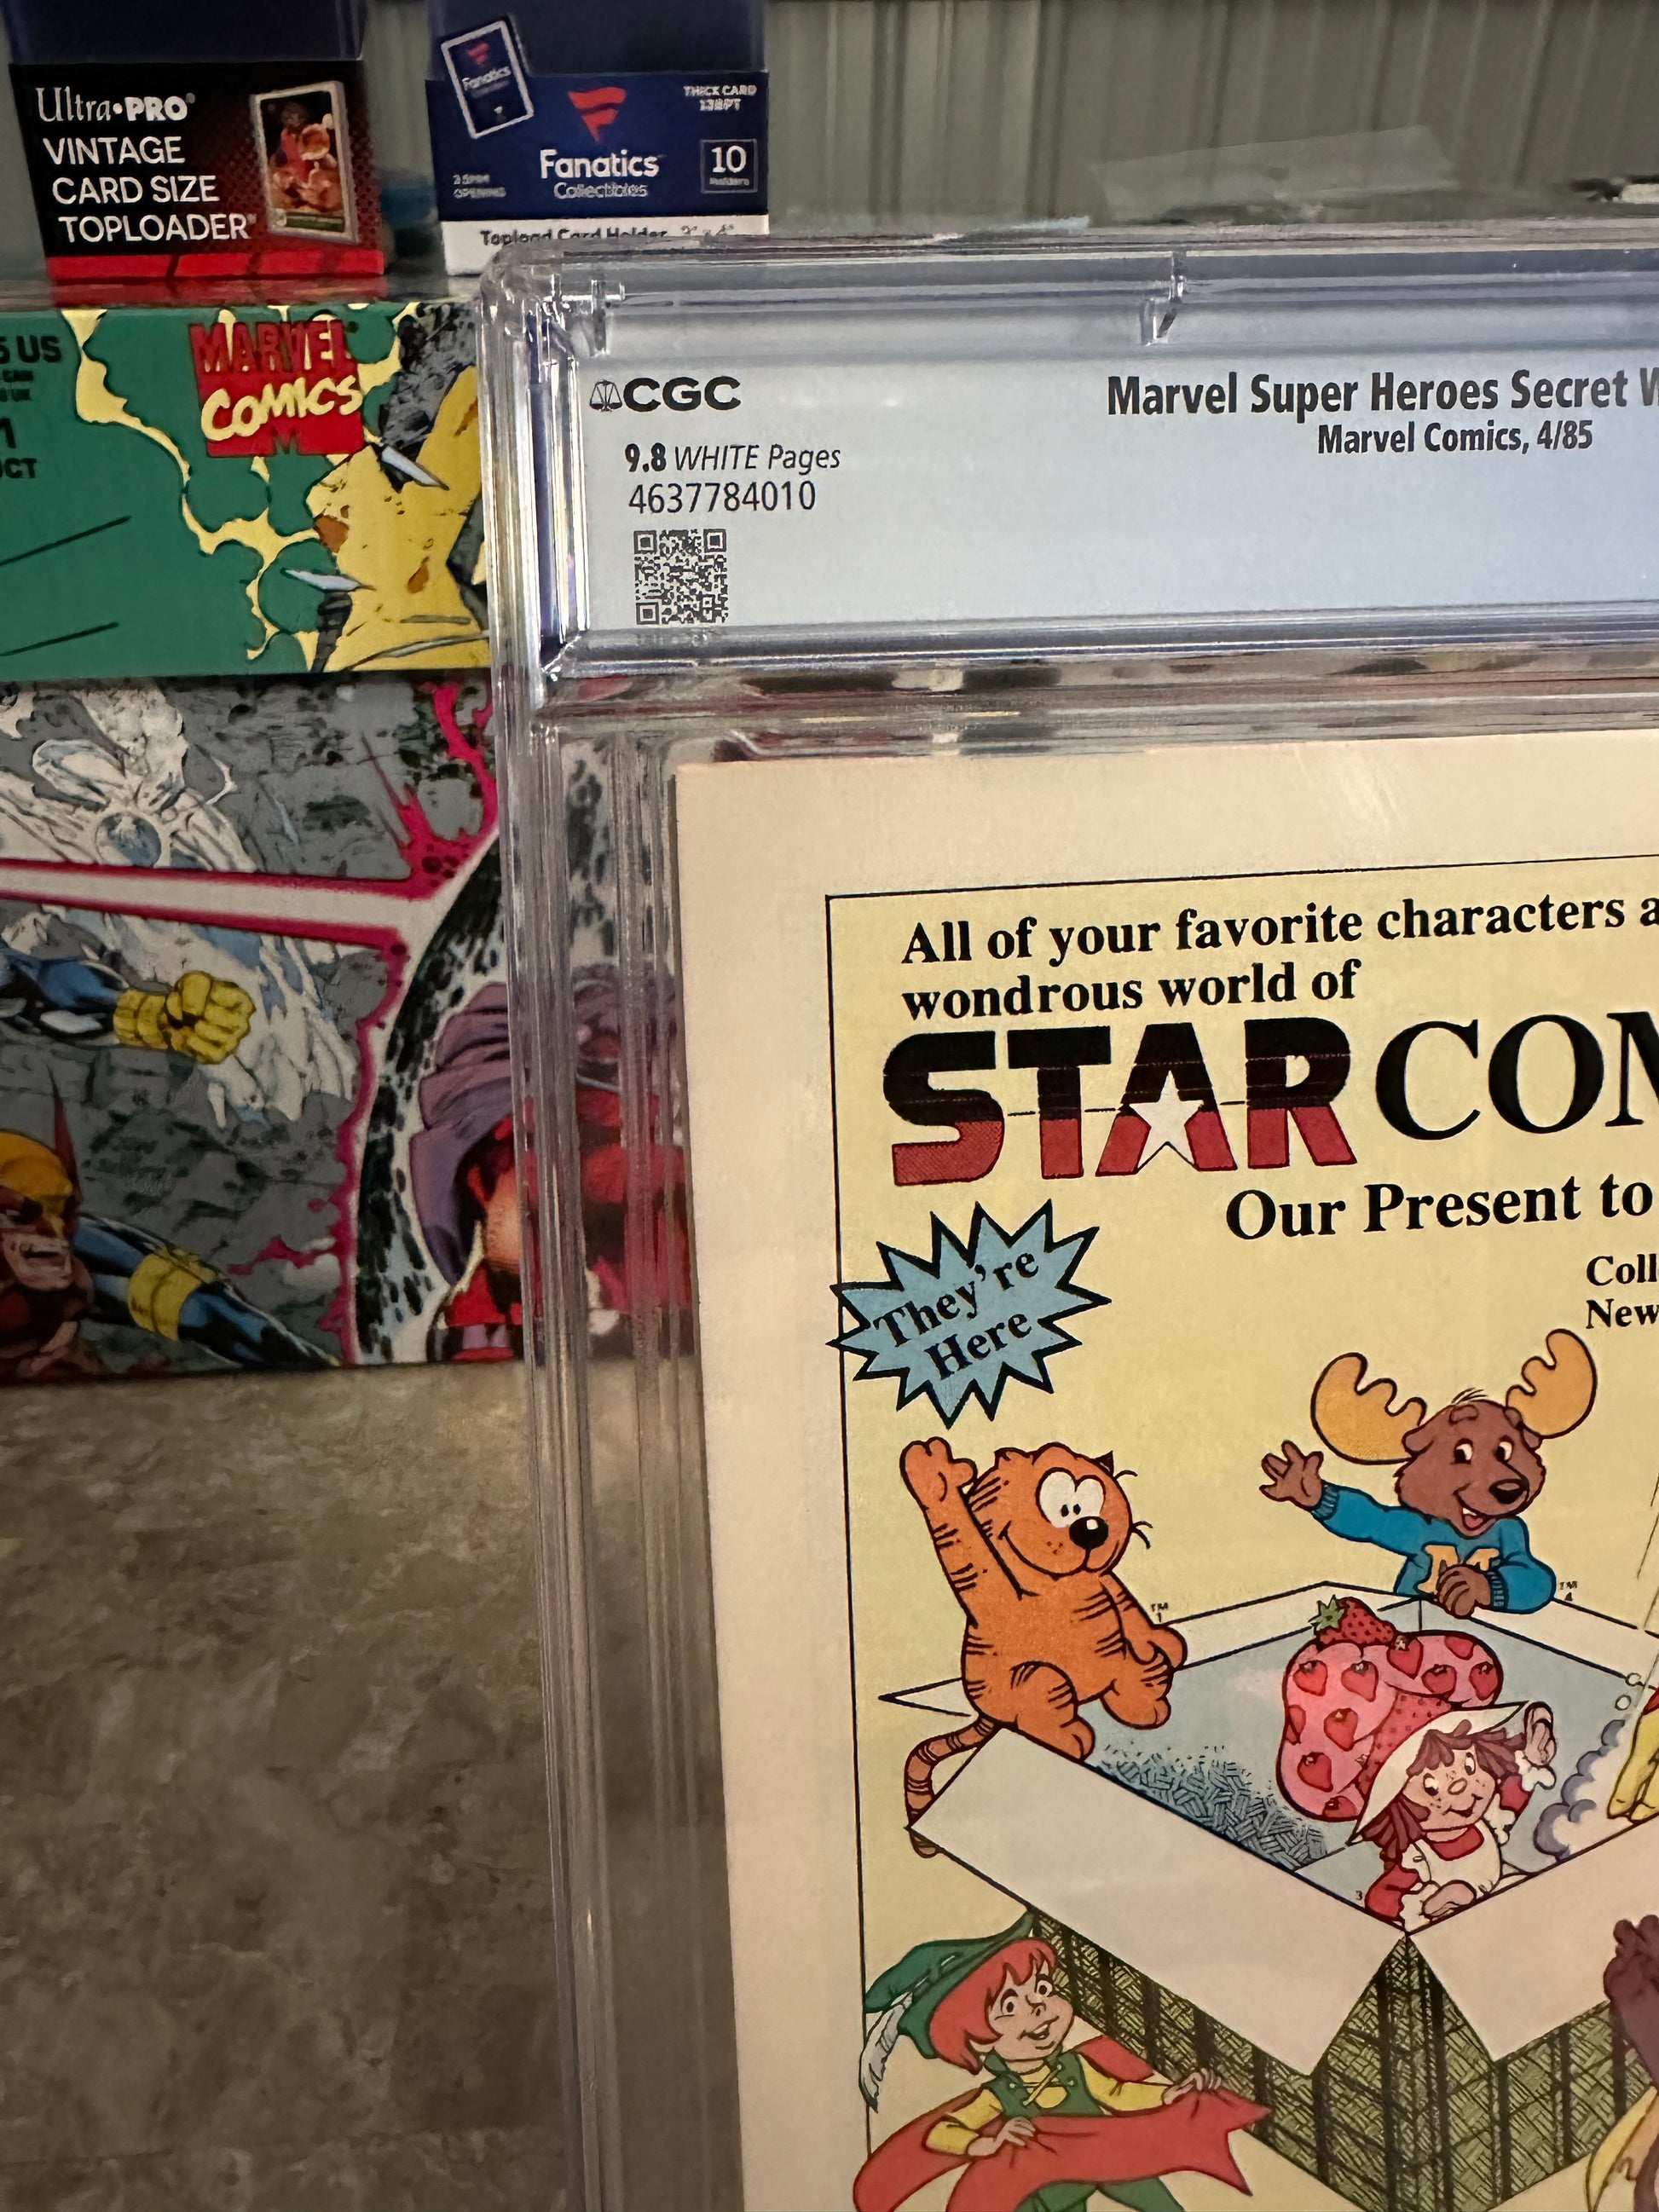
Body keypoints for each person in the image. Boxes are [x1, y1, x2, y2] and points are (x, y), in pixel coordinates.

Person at [854, 1917, 1265, 2212]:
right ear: (979, 2039)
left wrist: (1169, 2094)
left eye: (1042, 1988)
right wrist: (987, 2144)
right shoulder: (1001, 2092)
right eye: (1010, 2007)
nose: (1038, 2008)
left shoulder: (1074, 2065)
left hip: (1107, 2154)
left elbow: (1119, 2093)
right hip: (1048, 2187)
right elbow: (940, 2133)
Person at [1357, 1702, 1556, 1926]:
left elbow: (1514, 1792)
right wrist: (1428, 1903)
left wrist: (1530, 1756)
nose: (1461, 1787)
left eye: (1469, 1766)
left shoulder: (1489, 1821)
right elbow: (1379, 1898)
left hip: (1501, 1897)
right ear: (1398, 1810)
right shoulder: (1419, 1857)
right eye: (1431, 1788)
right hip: (1462, 1927)